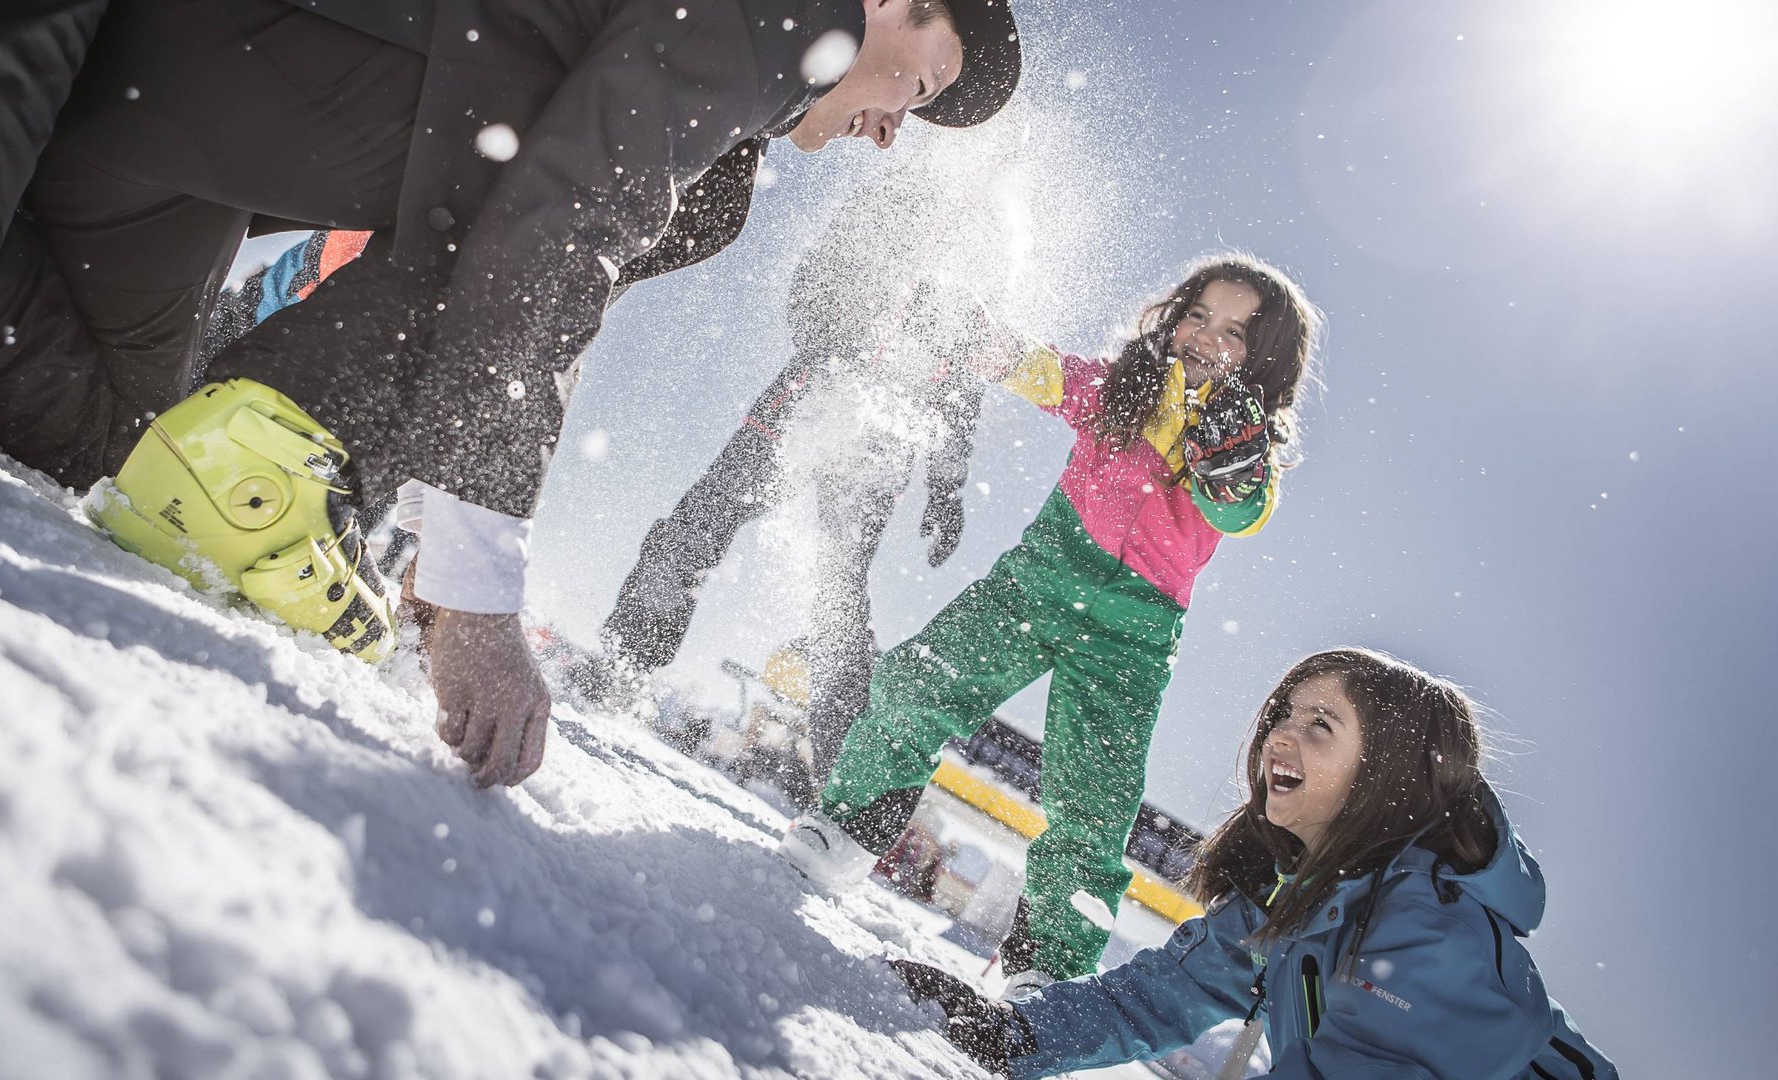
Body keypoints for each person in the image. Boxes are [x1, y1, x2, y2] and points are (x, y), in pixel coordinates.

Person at [0, 0, 1025, 787]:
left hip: (159, 122)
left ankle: (237, 458)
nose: (888, 130)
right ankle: (269, 452)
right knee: (643, 209)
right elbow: (567, 217)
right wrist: (472, 587)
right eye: (915, 88)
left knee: (131, 449)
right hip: (244, 44)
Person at [780, 256, 1321, 992]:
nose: (1204, 337)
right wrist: (976, 337)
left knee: (1092, 803)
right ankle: (850, 827)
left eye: (1234, 332)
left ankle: (1048, 967)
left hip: (1133, 632)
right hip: (1038, 581)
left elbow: (1243, 511)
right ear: (1175, 316)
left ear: (1264, 361)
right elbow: (1043, 372)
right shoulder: (1122, 388)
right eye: (1198, 315)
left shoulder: (1241, 445)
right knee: (917, 679)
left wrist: (1233, 469)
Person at [886, 648, 1620, 1080]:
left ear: (1386, 776)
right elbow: (1156, 999)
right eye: (1283, 714)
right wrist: (1017, 1034)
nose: (1280, 735)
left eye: (1319, 725)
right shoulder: (1290, 901)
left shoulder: (1428, 930)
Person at [585, 131, 1030, 783]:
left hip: (890, 429)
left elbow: (967, 368)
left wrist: (946, 483)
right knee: (702, 522)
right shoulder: (898, 193)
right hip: (817, 386)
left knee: (840, 592)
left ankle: (842, 777)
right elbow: (823, 268)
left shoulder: (995, 243)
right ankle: (622, 669)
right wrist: (827, 343)